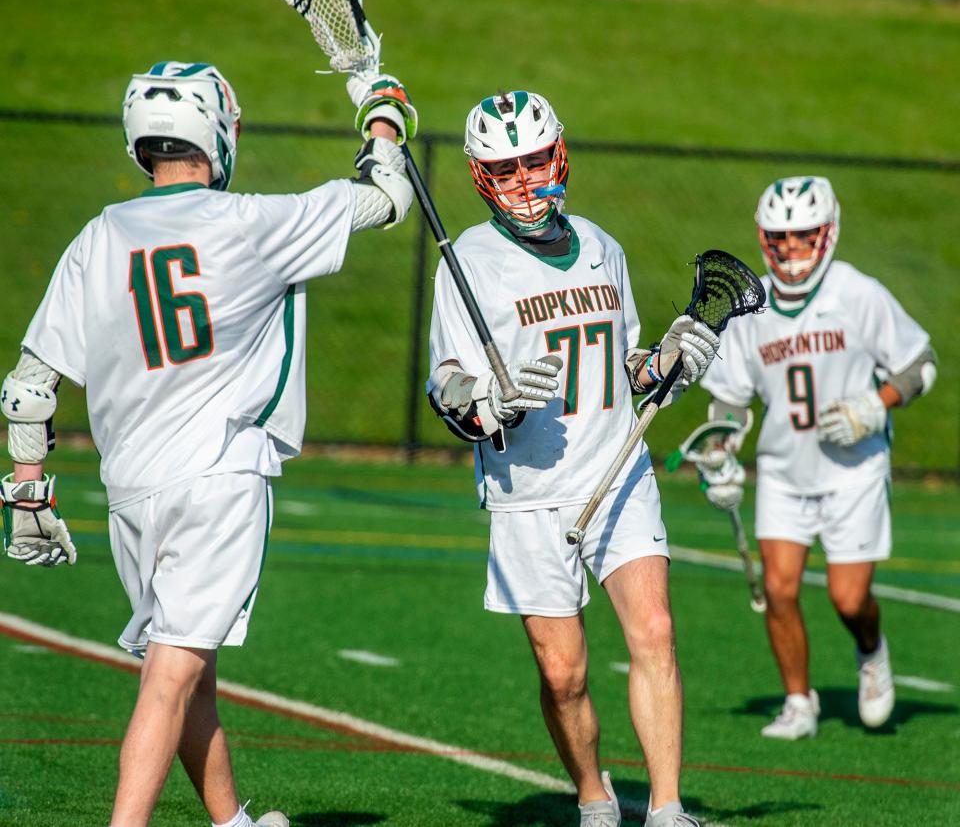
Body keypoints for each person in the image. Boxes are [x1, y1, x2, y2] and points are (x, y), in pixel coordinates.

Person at [0, 61, 417, 827]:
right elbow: (390, 199)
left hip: (130, 489)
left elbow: (28, 389)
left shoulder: (99, 235)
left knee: (188, 666)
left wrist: (28, 492)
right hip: (219, 476)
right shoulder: (254, 222)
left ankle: (231, 824)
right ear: (218, 129)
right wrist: (383, 116)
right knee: (173, 671)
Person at [426, 90, 719, 827]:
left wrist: (665, 363)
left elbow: (627, 364)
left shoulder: (600, 245)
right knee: (563, 674)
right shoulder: (467, 262)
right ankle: (594, 796)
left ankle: (667, 807)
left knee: (653, 629)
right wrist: (488, 398)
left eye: (532, 161)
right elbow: (446, 381)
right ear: (479, 174)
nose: (523, 179)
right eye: (505, 167)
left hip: (616, 471)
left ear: (558, 155)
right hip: (527, 490)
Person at [696, 176, 937, 740]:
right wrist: (719, 452)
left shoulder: (857, 293)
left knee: (849, 599)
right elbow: (729, 397)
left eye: (802, 237)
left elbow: (920, 364)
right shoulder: (751, 303)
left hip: (854, 469)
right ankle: (799, 701)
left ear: (827, 234)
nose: (789, 250)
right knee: (779, 590)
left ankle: (871, 650)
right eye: (779, 239)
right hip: (784, 469)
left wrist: (873, 407)